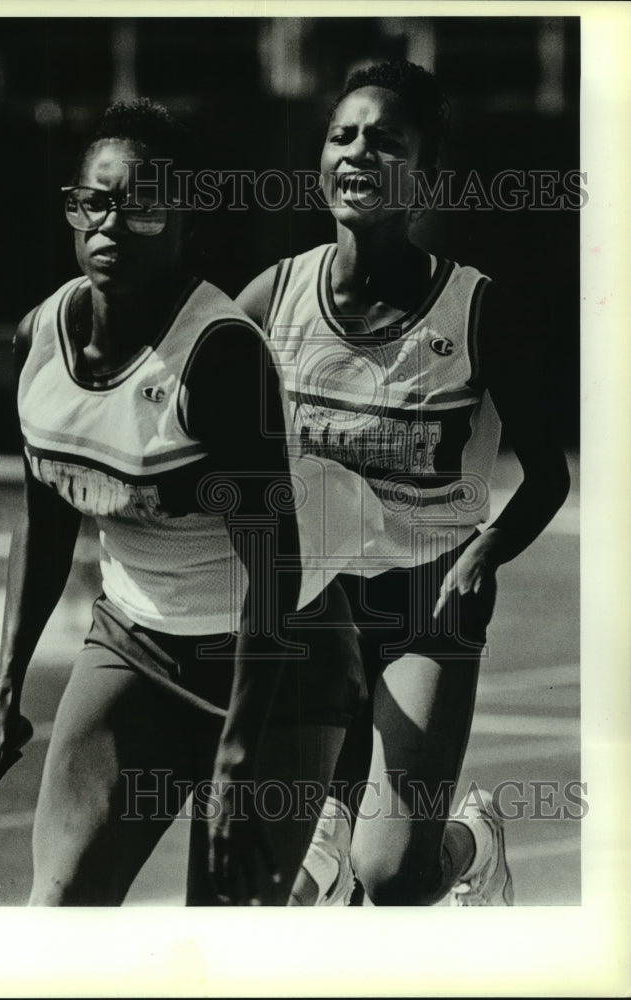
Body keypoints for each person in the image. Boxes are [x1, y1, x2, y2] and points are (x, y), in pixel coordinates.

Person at [0, 99, 366, 906]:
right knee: (60, 911)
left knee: (227, 931)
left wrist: (237, 761)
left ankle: (320, 882)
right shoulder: (41, 336)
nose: (110, 223)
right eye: (93, 202)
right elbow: (45, 522)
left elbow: (274, 572)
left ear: (186, 216)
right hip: (135, 648)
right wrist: (5, 687)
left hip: (276, 666)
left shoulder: (218, 358)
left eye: (141, 206)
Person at [237, 60, 570, 906]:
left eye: (386, 142)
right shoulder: (273, 298)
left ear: (425, 177)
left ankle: (472, 842)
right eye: (342, 135)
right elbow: (195, 445)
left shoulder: (476, 310)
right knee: (271, 872)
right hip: (311, 608)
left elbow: (545, 478)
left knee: (390, 876)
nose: (357, 153)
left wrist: (485, 554)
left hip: (425, 601)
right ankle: (326, 830)